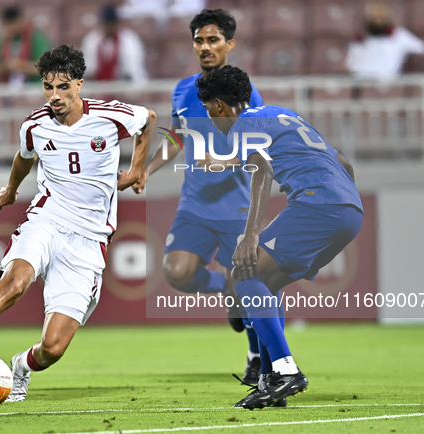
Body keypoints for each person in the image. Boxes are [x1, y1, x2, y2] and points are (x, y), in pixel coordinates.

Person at [0, 45, 157, 402]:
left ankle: (20, 366)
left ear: (80, 84)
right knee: (13, 284)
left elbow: (149, 119)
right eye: (48, 87)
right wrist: (12, 189)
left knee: (53, 348)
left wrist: (138, 169)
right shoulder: (35, 124)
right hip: (47, 219)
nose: (55, 95)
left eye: (63, 87)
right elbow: (24, 156)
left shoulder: (110, 116)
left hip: (89, 239)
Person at [196, 65, 363, 409]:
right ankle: (272, 379)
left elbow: (263, 170)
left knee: (243, 272)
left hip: (318, 205)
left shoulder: (241, 126)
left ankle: (284, 372)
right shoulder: (280, 114)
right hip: (350, 210)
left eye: (208, 110)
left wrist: (250, 235)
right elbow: (343, 163)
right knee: (264, 285)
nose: (210, 118)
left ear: (219, 106)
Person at [132, 9, 265, 386]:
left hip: (238, 206)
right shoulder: (183, 89)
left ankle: (257, 357)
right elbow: (176, 135)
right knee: (178, 272)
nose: (205, 47)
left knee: (251, 287)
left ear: (229, 44)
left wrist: (224, 161)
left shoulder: (245, 92)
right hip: (195, 204)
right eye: (199, 41)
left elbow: (259, 144)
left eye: (213, 40)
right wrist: (146, 169)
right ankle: (225, 288)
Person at [346, 2, 424, 79]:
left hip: (389, 85)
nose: (377, 20)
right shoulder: (359, 39)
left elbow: (423, 49)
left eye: (381, 17)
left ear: (387, 18)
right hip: (362, 84)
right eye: (374, 17)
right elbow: (350, 65)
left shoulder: (399, 35)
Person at [81, 4, 148, 82]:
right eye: (107, 24)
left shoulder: (129, 41)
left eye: (112, 24)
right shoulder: (91, 41)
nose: (109, 27)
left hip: (122, 87)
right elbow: (88, 71)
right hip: (98, 88)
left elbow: (132, 72)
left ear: (117, 23)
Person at [0, 5, 52, 85]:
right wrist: (4, 67)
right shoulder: (0, 40)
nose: (11, 28)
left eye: (13, 24)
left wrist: (21, 66)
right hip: (6, 87)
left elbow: (46, 67)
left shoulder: (36, 37)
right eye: (7, 25)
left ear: (21, 20)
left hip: (32, 85)